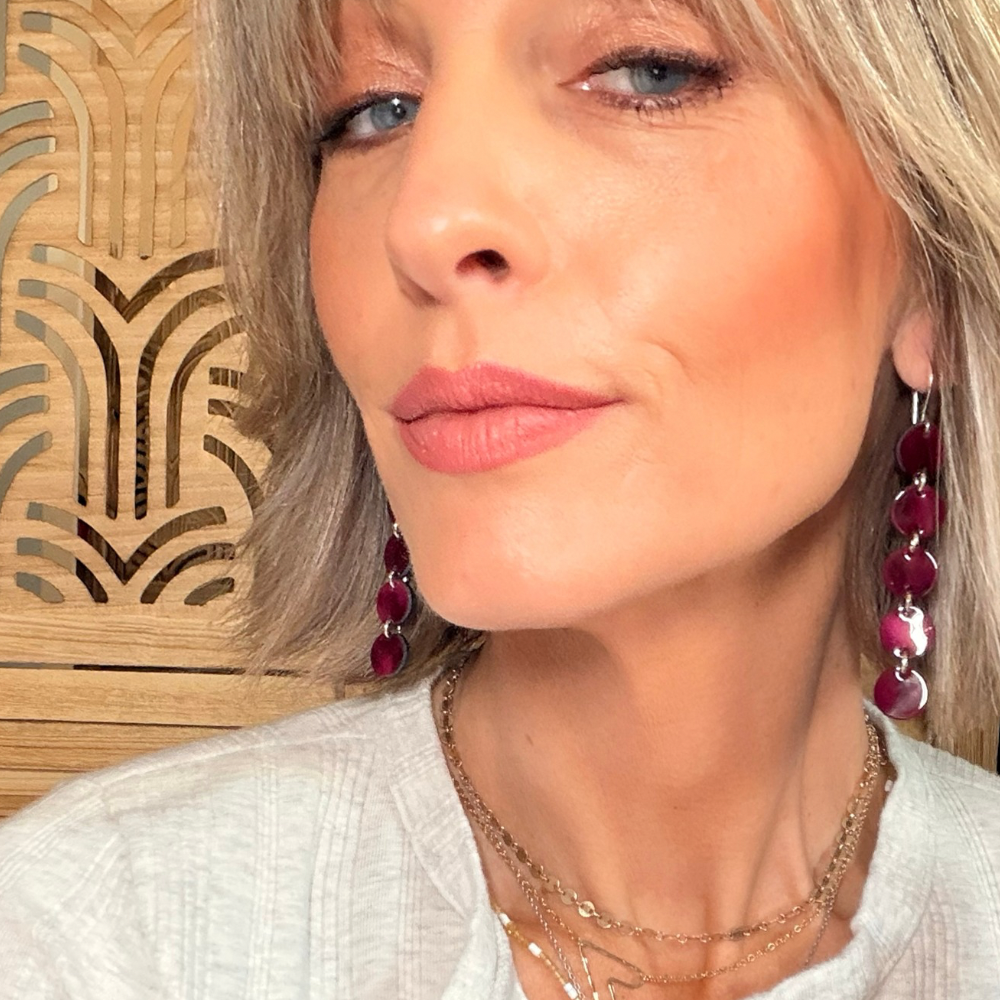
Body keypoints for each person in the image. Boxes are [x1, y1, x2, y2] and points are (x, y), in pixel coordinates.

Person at [1, 0, 1000, 996]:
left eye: (647, 71)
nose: (424, 223)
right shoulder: (94, 933)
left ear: (931, 265)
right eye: (374, 110)